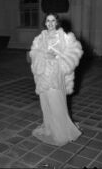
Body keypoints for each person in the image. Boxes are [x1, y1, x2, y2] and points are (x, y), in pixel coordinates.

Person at [29, 13, 83, 146]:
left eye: (53, 20)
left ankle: (61, 133)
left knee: (56, 102)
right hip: (43, 75)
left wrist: (58, 57)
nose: (50, 23)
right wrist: (42, 55)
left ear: (57, 22)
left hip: (56, 74)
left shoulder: (64, 37)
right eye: (48, 20)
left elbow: (74, 53)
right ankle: (49, 129)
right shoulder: (39, 38)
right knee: (46, 103)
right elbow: (33, 54)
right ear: (45, 22)